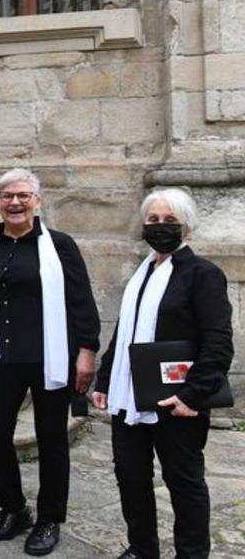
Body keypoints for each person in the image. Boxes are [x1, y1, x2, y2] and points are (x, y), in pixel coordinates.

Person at [0, 168, 101, 555]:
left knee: (52, 437)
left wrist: (86, 351)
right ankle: (13, 507)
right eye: (7, 196)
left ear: (37, 201)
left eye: (23, 196)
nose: (15, 203)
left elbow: (82, 302)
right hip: (3, 358)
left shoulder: (60, 246)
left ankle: (49, 518)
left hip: (50, 357)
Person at [92, 189, 234, 559]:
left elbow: (218, 342)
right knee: (132, 480)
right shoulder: (143, 272)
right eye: (153, 220)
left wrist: (192, 396)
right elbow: (126, 332)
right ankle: (142, 549)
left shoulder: (203, 274)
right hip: (131, 398)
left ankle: (191, 554)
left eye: (170, 221)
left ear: (186, 227)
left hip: (177, 402)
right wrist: (106, 382)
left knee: (184, 484)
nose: (160, 227)